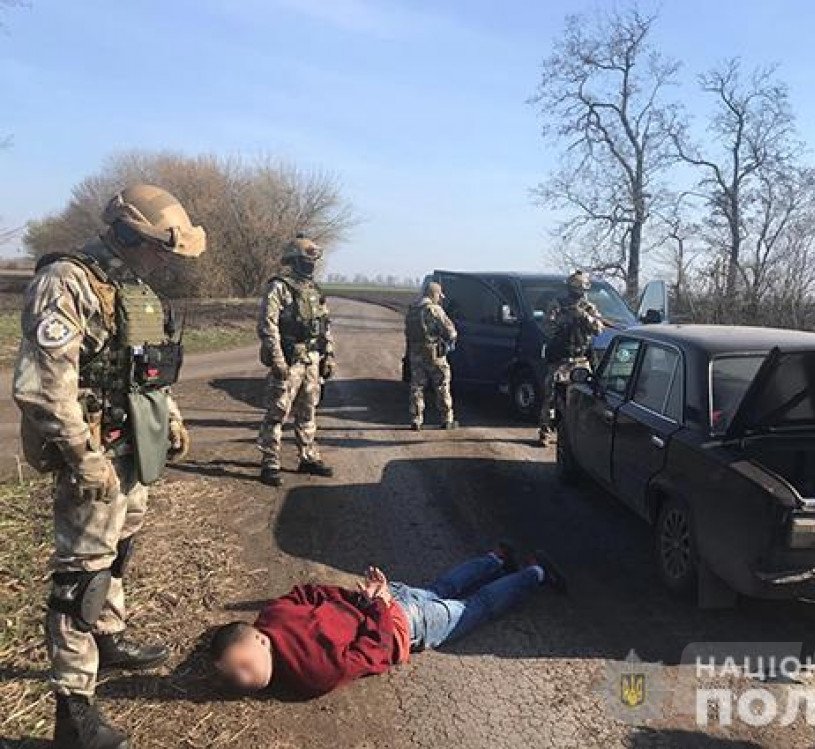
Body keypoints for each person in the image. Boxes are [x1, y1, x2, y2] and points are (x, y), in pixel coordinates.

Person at [14, 184, 206, 749]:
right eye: (159, 248)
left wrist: (170, 419)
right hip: (93, 456)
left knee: (120, 549)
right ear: (127, 234)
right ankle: (73, 710)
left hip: (131, 450)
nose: (166, 261)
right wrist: (82, 459)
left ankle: (109, 636)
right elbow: (44, 387)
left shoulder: (133, 287)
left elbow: (144, 368)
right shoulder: (67, 281)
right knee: (82, 579)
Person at [209, 545, 565, 698]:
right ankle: (496, 558)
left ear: (258, 638)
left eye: (243, 667)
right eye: (233, 677)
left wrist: (378, 606)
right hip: (384, 597)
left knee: (476, 607)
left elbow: (374, 651)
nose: (242, 680)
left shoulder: (309, 673)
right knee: (440, 587)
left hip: (400, 622)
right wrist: (365, 597)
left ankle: (536, 572)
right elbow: (310, 592)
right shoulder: (272, 615)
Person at [256, 234, 335, 487]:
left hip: (311, 359)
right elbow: (268, 326)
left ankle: (308, 456)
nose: (311, 265)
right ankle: (270, 461)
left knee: (308, 410)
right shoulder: (279, 287)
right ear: (294, 261)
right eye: (306, 260)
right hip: (289, 360)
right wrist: (278, 359)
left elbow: (324, 325)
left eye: (313, 261)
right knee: (277, 412)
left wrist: (328, 355)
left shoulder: (314, 290)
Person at [537, 270, 604, 447]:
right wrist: (564, 320)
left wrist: (584, 317)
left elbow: (599, 329)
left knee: (587, 396)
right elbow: (547, 328)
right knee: (551, 395)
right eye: (578, 289)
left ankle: (583, 433)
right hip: (561, 359)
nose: (580, 293)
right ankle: (546, 430)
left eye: (582, 290)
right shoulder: (557, 305)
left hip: (581, 358)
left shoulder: (588, 307)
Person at [404, 280, 458, 431]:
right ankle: (447, 419)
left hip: (415, 353)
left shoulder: (413, 309)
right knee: (442, 384)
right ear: (434, 294)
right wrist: (449, 342)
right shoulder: (434, 310)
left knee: (417, 387)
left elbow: (408, 333)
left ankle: (416, 419)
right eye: (439, 295)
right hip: (433, 353)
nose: (439, 299)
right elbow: (451, 332)